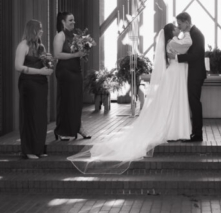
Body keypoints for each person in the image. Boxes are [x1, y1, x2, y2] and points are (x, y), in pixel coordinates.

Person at [67, 23, 192, 174]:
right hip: (172, 75)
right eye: (176, 28)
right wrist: (186, 33)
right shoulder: (172, 42)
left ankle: (172, 126)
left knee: (168, 104)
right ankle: (171, 127)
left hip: (172, 74)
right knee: (169, 103)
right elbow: (186, 46)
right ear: (172, 31)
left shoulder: (169, 42)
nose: (178, 29)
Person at [14, 20, 54, 159]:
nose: (42, 31)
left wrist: (49, 62)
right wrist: (40, 72)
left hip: (41, 85)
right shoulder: (22, 46)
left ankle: (38, 148)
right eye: (40, 28)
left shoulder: (40, 47)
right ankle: (29, 150)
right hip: (29, 85)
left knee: (40, 117)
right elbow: (18, 67)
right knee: (30, 115)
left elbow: (45, 65)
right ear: (32, 30)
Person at [168, 12, 207, 142]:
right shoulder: (189, 34)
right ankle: (194, 132)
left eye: (180, 24)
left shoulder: (197, 35)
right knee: (192, 102)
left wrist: (177, 57)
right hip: (192, 73)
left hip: (196, 74)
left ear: (187, 22)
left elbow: (196, 55)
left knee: (194, 103)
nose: (179, 26)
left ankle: (197, 134)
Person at [53, 11, 91, 141]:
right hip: (65, 72)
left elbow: (81, 52)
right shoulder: (60, 36)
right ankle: (62, 130)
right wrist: (75, 55)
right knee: (66, 101)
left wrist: (85, 50)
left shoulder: (76, 36)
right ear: (63, 22)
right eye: (70, 20)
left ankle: (78, 127)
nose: (73, 22)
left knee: (76, 101)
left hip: (76, 71)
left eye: (73, 20)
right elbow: (57, 55)